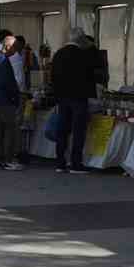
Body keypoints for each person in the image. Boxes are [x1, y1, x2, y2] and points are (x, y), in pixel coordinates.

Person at [50, 29, 95, 174]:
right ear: (81, 39)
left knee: (62, 130)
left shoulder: (58, 54)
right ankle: (76, 163)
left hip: (62, 98)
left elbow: (53, 77)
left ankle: (60, 162)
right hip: (79, 98)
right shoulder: (83, 55)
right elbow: (90, 76)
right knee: (78, 131)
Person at [0, 31, 23, 170]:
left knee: (0, 130)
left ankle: (0, 158)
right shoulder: (2, 60)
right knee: (10, 130)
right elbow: (6, 82)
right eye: (14, 48)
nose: (15, 52)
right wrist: (14, 96)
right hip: (5, 100)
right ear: (8, 47)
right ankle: (8, 159)